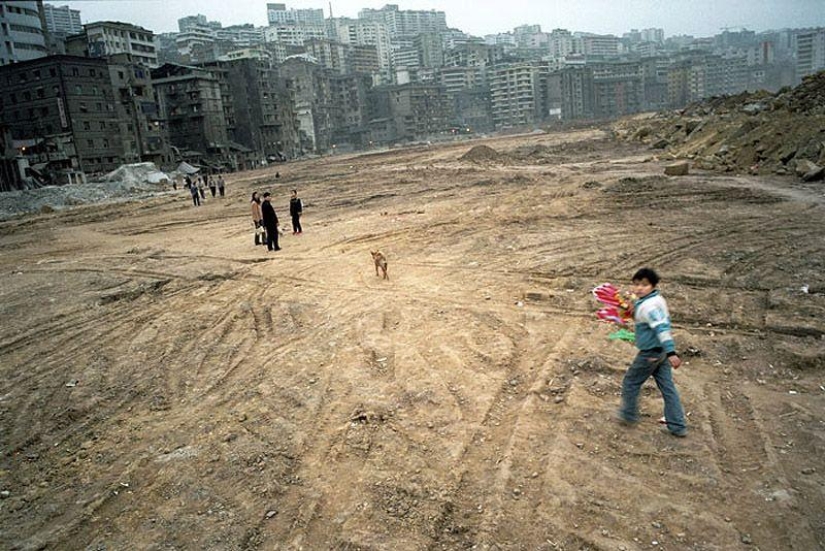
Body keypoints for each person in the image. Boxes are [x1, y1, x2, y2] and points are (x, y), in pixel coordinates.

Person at [617, 268, 687, 437]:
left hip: (650, 353)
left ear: (653, 285)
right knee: (667, 387)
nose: (639, 288)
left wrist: (672, 353)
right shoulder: (655, 299)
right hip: (660, 351)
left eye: (644, 285)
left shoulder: (649, 306)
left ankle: (628, 415)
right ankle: (677, 425)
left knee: (631, 382)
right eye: (636, 284)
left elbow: (661, 328)